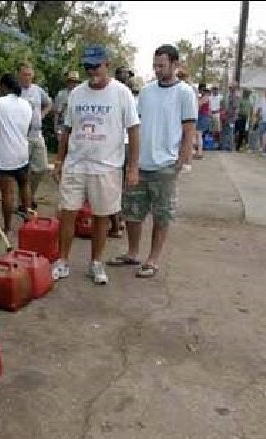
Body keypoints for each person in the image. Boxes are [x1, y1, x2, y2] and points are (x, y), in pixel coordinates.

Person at [51, 45, 140, 285]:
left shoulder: (122, 93)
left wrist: (132, 167)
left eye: (96, 66)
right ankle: (63, 261)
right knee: (67, 212)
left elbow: (133, 130)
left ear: (107, 64)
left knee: (102, 216)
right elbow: (67, 130)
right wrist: (59, 160)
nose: (92, 72)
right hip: (76, 163)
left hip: (107, 166)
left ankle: (96, 263)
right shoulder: (76, 93)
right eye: (88, 67)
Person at [108, 44, 196, 278]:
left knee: (161, 214)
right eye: (155, 65)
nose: (157, 70)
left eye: (162, 65)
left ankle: (153, 259)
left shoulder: (185, 93)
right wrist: (131, 161)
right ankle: (133, 252)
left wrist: (182, 161)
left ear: (175, 65)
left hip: (166, 165)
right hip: (140, 162)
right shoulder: (146, 92)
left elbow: (189, 130)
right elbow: (135, 125)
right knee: (132, 212)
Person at [0, 73, 33, 234]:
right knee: (24, 186)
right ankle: (28, 222)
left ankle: (7, 228)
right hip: (22, 152)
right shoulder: (26, 105)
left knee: (8, 193)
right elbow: (28, 127)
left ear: (4, 86)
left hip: (3, 156)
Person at [18, 61, 52, 210]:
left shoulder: (37, 90)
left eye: (30, 75)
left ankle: (29, 195)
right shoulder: (15, 91)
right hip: (21, 136)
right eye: (24, 75)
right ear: (19, 75)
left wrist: (41, 115)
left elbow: (49, 103)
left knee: (41, 167)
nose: (27, 78)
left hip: (37, 134)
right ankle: (23, 201)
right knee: (22, 170)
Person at [110, 65, 137, 238]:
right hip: (118, 145)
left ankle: (117, 223)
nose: (126, 78)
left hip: (122, 145)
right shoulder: (126, 96)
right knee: (118, 186)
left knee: (117, 186)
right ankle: (117, 222)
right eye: (124, 75)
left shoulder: (126, 96)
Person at [54, 70, 81, 146]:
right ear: (68, 82)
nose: (74, 84)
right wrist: (56, 129)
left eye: (76, 82)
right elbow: (57, 113)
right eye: (72, 81)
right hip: (63, 126)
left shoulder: (82, 95)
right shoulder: (61, 94)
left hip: (77, 127)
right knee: (63, 149)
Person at [195, 84, 211, 159]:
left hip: (203, 117)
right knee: (198, 135)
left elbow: (198, 105)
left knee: (198, 134)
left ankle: (199, 153)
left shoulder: (205, 97)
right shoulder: (203, 97)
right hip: (202, 117)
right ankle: (198, 152)